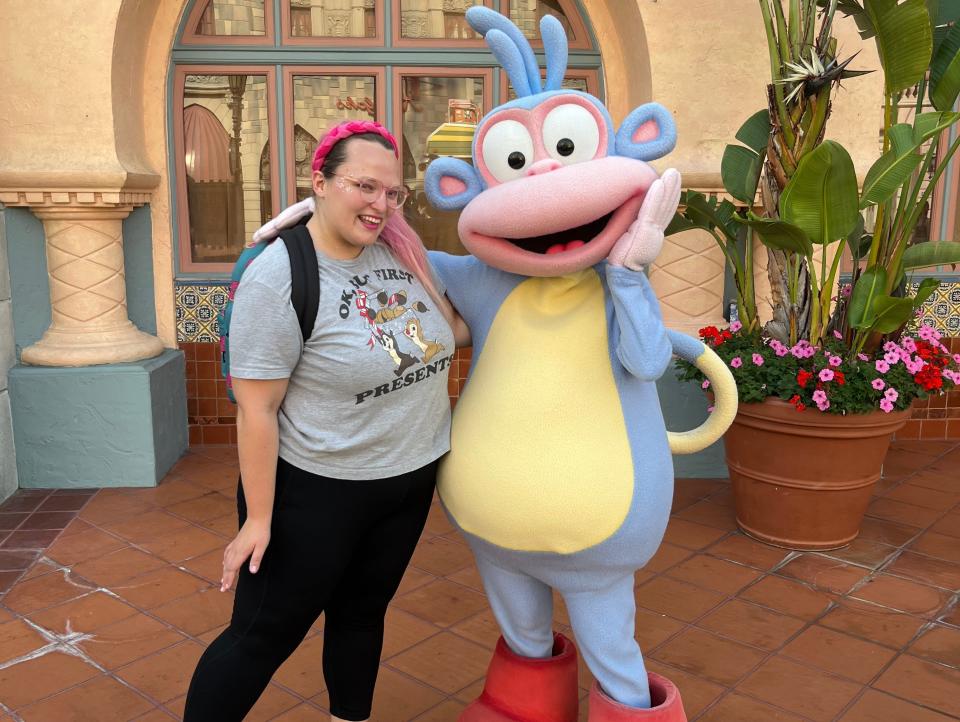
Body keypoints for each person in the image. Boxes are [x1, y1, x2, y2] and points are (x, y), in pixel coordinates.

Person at [184, 120, 468, 722]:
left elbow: (450, 331)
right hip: (317, 493)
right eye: (366, 186)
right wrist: (258, 519)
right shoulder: (281, 274)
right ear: (319, 180)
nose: (381, 205)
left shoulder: (402, 250)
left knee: (363, 616)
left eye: (393, 193)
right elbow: (256, 408)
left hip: (408, 481)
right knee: (263, 637)